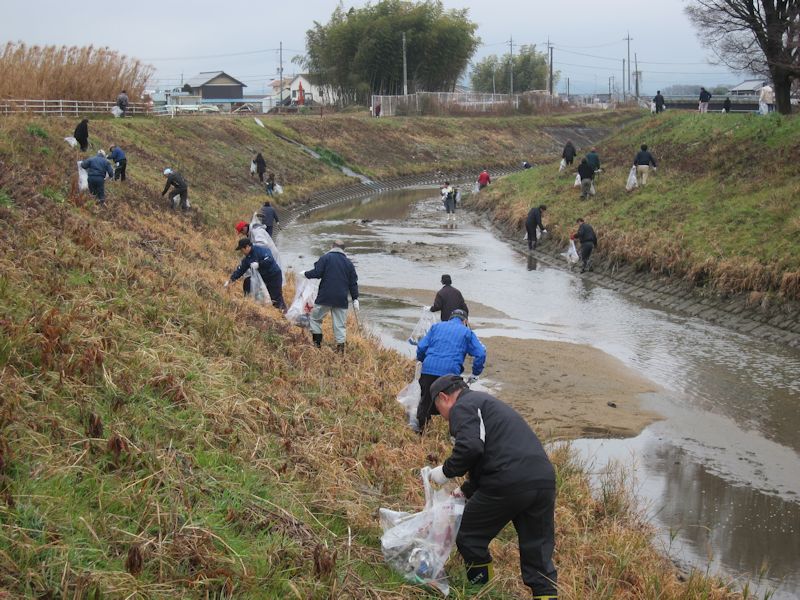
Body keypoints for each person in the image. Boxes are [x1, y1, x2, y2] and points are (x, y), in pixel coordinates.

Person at [428, 374, 557, 599]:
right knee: (537, 552)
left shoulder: (463, 406)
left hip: (509, 480)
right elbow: (493, 454)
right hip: (543, 480)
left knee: (469, 534)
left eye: (437, 409)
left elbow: (470, 448)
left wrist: (446, 471)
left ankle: (480, 590)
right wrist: (467, 490)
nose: (442, 416)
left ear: (444, 397)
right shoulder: (485, 403)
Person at [414, 310, 485, 432]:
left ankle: (420, 431)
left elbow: (421, 347)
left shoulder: (436, 327)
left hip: (428, 369)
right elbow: (481, 353)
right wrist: (475, 372)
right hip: (449, 374)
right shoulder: (467, 332)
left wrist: (422, 360)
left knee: (425, 401)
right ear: (465, 321)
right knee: (453, 404)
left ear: (450, 318)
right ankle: (454, 434)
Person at [304, 240, 359, 352]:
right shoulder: (349, 263)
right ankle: (340, 350)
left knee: (315, 319)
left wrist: (305, 274)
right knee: (339, 325)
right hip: (341, 298)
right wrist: (355, 299)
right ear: (344, 249)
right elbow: (353, 283)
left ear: (332, 247)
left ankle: (317, 346)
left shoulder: (326, 258)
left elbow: (317, 273)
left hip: (325, 296)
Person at [225, 238, 286, 310]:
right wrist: (231, 280)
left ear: (247, 247)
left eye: (242, 250)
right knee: (248, 281)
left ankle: (283, 313)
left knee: (276, 297)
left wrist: (259, 264)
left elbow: (269, 259)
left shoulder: (260, 250)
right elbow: (240, 270)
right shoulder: (247, 258)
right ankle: (248, 300)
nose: (242, 252)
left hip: (273, 275)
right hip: (264, 277)